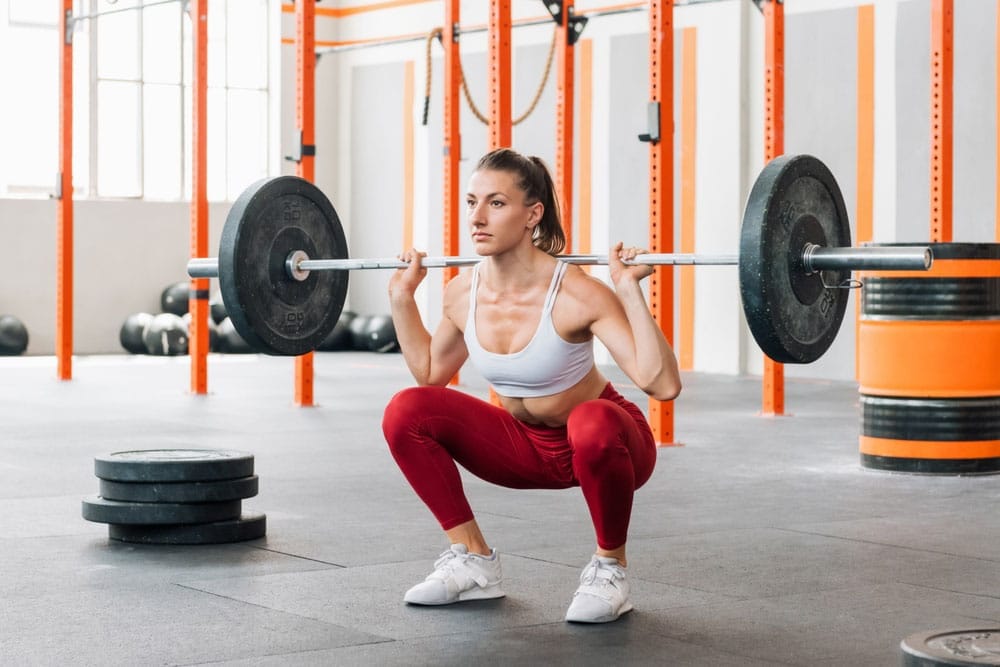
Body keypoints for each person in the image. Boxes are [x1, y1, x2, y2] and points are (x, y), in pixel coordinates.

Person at [381, 147, 681, 624]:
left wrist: (628, 289)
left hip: (607, 445)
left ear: (532, 214)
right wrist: (402, 299)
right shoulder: (463, 291)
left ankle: (611, 569)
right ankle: (473, 560)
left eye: (496, 203)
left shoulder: (578, 291)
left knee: (592, 419)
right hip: (524, 446)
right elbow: (431, 375)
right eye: (472, 202)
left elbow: (661, 384)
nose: (477, 217)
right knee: (406, 410)